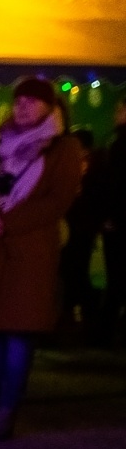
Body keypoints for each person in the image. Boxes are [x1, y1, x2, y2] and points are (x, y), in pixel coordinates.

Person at [0, 77, 84, 441]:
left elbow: (57, 201)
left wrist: (6, 222)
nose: (23, 107)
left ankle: (6, 409)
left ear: (51, 108)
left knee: (17, 335)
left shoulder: (63, 150)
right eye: (19, 101)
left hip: (29, 254)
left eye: (32, 101)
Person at [60, 129, 108, 341]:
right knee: (76, 272)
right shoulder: (94, 164)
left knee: (76, 272)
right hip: (82, 226)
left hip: (80, 226)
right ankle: (83, 318)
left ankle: (82, 318)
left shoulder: (87, 166)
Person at [101, 98, 126, 348]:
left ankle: (105, 332)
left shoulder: (119, 145)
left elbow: (115, 186)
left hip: (119, 222)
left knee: (117, 277)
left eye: (120, 109)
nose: (116, 113)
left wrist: (110, 216)